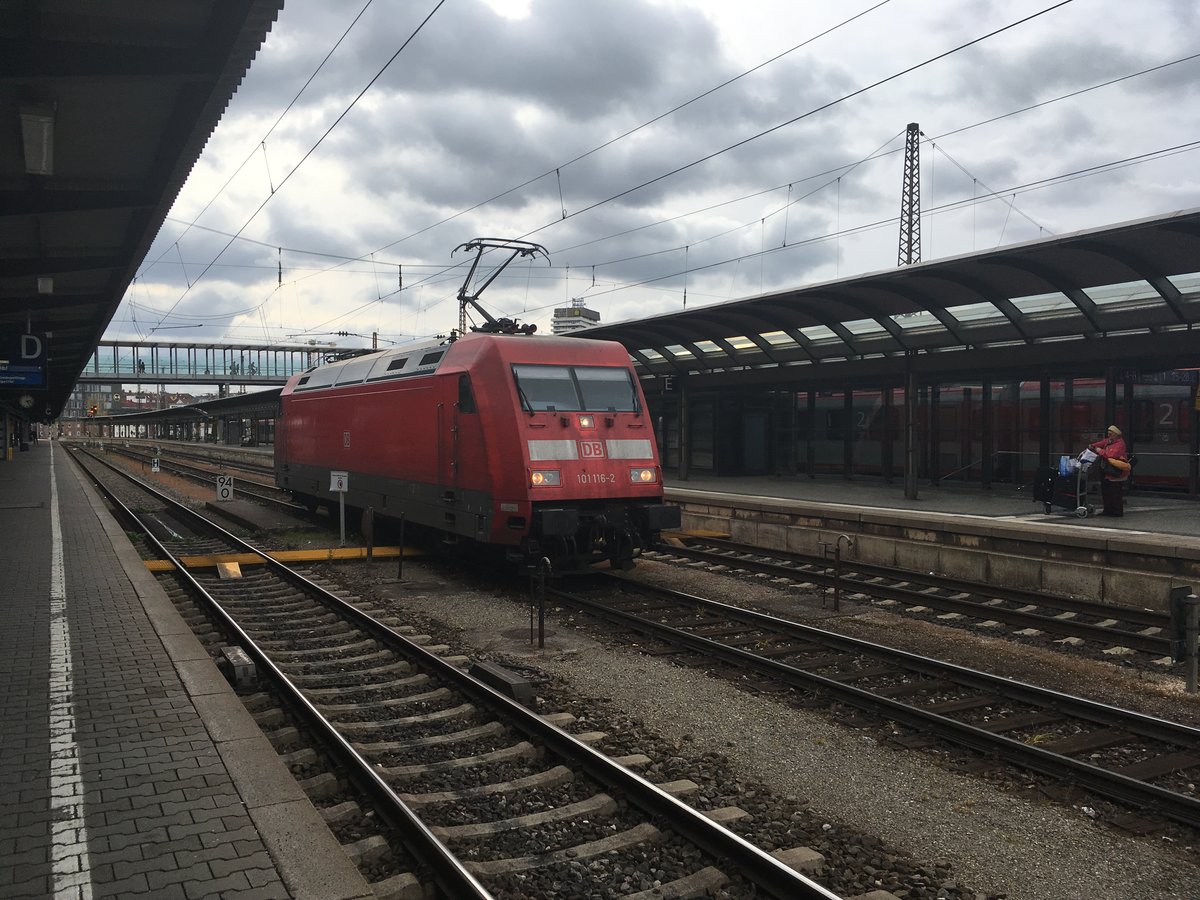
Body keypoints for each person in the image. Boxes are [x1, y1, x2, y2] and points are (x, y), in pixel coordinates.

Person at [1088, 424, 1130, 517]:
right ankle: (1108, 510)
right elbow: (1101, 443)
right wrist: (1093, 445)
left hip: (1116, 472)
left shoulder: (1120, 444)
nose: (1109, 435)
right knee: (1106, 491)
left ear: (1116, 434)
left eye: (1111, 433)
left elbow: (1110, 455)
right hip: (1107, 471)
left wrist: (1099, 450)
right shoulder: (1109, 441)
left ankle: (1117, 511)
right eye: (1108, 433)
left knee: (1115, 492)